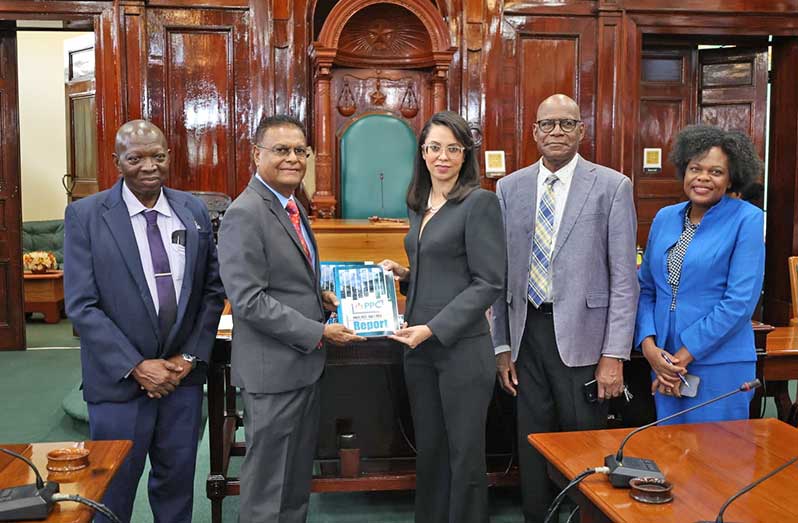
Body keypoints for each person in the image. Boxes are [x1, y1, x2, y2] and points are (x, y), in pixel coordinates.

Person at [64, 120, 225, 523]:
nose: (148, 166)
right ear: (118, 161)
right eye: (135, 158)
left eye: (157, 156)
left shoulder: (193, 210)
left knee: (176, 488)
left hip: (180, 380)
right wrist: (137, 366)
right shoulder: (85, 215)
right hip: (118, 383)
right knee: (111, 491)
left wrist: (189, 357)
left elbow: (211, 290)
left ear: (169, 156)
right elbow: (82, 305)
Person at [490, 94, 639, 522]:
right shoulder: (509, 188)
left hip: (585, 339)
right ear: (534, 131)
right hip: (526, 335)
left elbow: (624, 281)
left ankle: (582, 517)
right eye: (548, 124)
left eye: (566, 124)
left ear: (581, 131)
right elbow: (500, 276)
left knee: (583, 442)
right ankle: (538, 515)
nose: (557, 132)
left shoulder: (611, 186)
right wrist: (501, 346)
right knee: (532, 439)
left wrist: (614, 355)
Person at [217, 114, 364, 522]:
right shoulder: (246, 212)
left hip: (301, 369)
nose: (293, 158)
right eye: (281, 150)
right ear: (256, 155)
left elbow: (283, 281)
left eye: (301, 151)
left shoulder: (290, 206)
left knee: (296, 482)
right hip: (273, 372)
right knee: (268, 488)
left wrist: (321, 298)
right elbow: (248, 300)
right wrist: (318, 330)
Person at [380, 110, 505, 523]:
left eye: (453, 148)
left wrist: (433, 328)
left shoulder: (479, 203)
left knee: (464, 456)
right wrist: (404, 275)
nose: (443, 157)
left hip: (461, 351)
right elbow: (442, 271)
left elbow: (488, 282)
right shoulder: (418, 203)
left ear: (466, 154)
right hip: (417, 351)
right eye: (434, 148)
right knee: (430, 452)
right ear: (422, 152)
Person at [636, 124, 765, 423]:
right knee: (671, 459)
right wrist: (650, 348)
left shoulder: (747, 219)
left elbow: (739, 303)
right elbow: (646, 290)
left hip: (719, 364)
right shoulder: (665, 217)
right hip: (664, 363)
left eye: (716, 172)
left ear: (732, 177)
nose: (703, 178)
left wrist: (682, 356)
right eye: (696, 168)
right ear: (685, 170)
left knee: (718, 462)